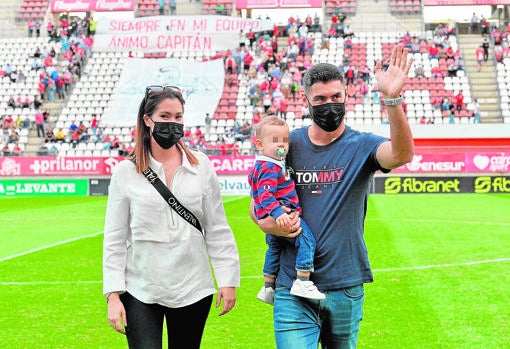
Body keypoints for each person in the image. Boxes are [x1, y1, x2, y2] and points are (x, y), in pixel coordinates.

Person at [250, 45, 414, 348]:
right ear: (306, 100)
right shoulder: (287, 145)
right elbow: (259, 198)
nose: (330, 105)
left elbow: (401, 154)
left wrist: (392, 100)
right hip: (293, 288)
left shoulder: (362, 145)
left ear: (347, 96)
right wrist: (265, 224)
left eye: (336, 97)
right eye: (321, 99)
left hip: (346, 285)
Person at [103, 86, 240, 348]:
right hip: (140, 288)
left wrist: (227, 279)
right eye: (165, 116)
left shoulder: (201, 166)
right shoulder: (125, 172)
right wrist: (113, 294)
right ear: (147, 120)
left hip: (193, 288)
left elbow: (217, 227)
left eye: (178, 117)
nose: (173, 123)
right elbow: (115, 238)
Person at [249, 115, 325, 306]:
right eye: (275, 141)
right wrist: (278, 213)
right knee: (306, 240)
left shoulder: (263, 165)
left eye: (284, 140)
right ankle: (302, 280)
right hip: (284, 215)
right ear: (260, 144)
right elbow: (265, 195)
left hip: (273, 216)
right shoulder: (269, 166)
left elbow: (254, 190)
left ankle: (268, 287)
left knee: (274, 249)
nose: (281, 145)